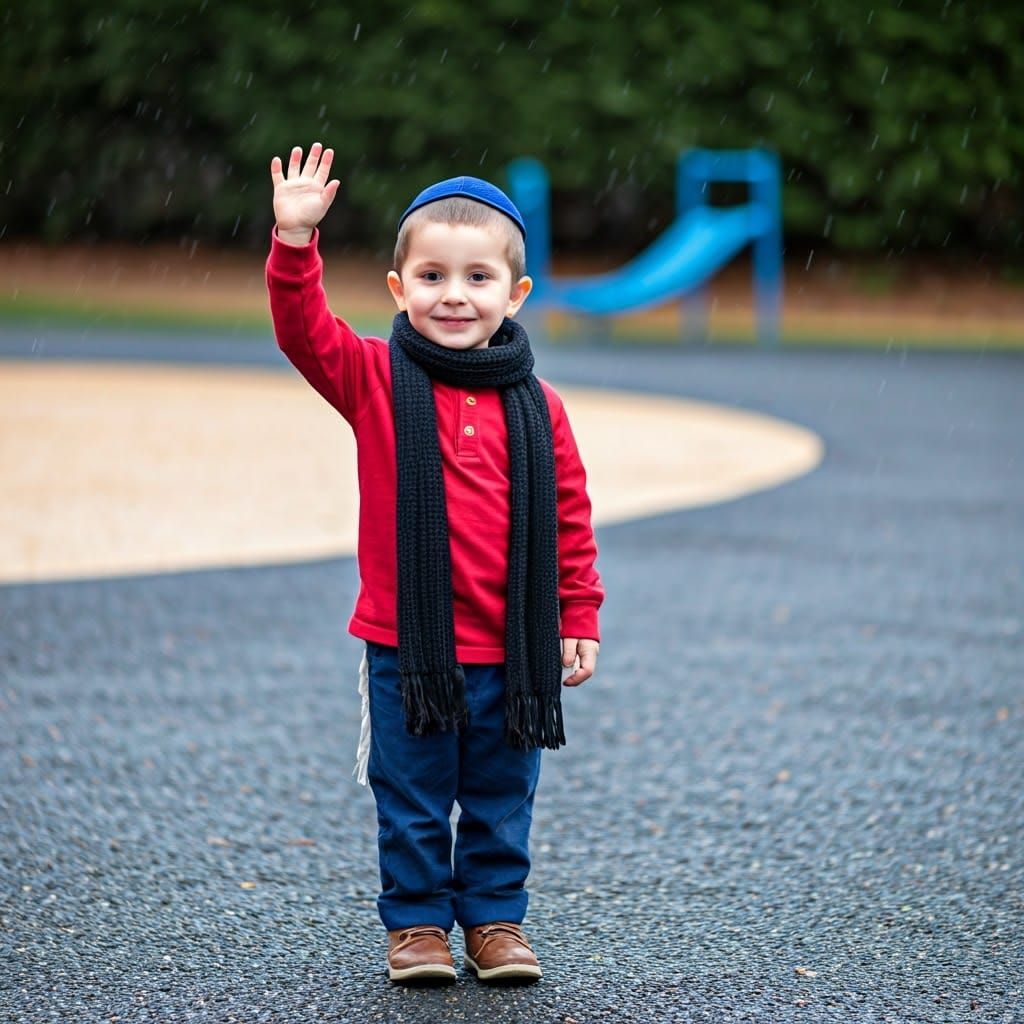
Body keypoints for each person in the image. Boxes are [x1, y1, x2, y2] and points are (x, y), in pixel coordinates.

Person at [265, 142, 604, 985]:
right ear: (398, 287)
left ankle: (494, 922)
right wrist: (294, 244)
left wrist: (580, 616)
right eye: (432, 277)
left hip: (511, 648)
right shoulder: (376, 378)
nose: (454, 295)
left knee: (499, 799)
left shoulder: (539, 406)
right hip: (408, 645)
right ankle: (416, 927)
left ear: (516, 294)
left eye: (478, 278)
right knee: (411, 798)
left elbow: (569, 518)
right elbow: (304, 334)